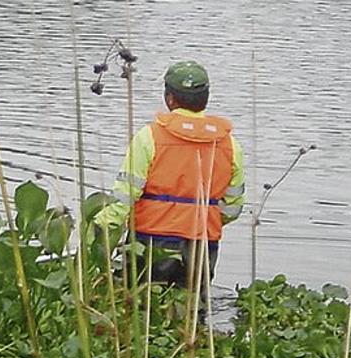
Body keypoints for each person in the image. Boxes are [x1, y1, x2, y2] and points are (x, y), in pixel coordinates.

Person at [94, 60, 245, 291]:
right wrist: (203, 217)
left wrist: (100, 228)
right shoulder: (230, 145)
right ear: (206, 98)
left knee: (145, 307)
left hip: (152, 240)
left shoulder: (149, 137)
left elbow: (125, 197)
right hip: (203, 242)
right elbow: (233, 208)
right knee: (194, 309)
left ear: (170, 98)